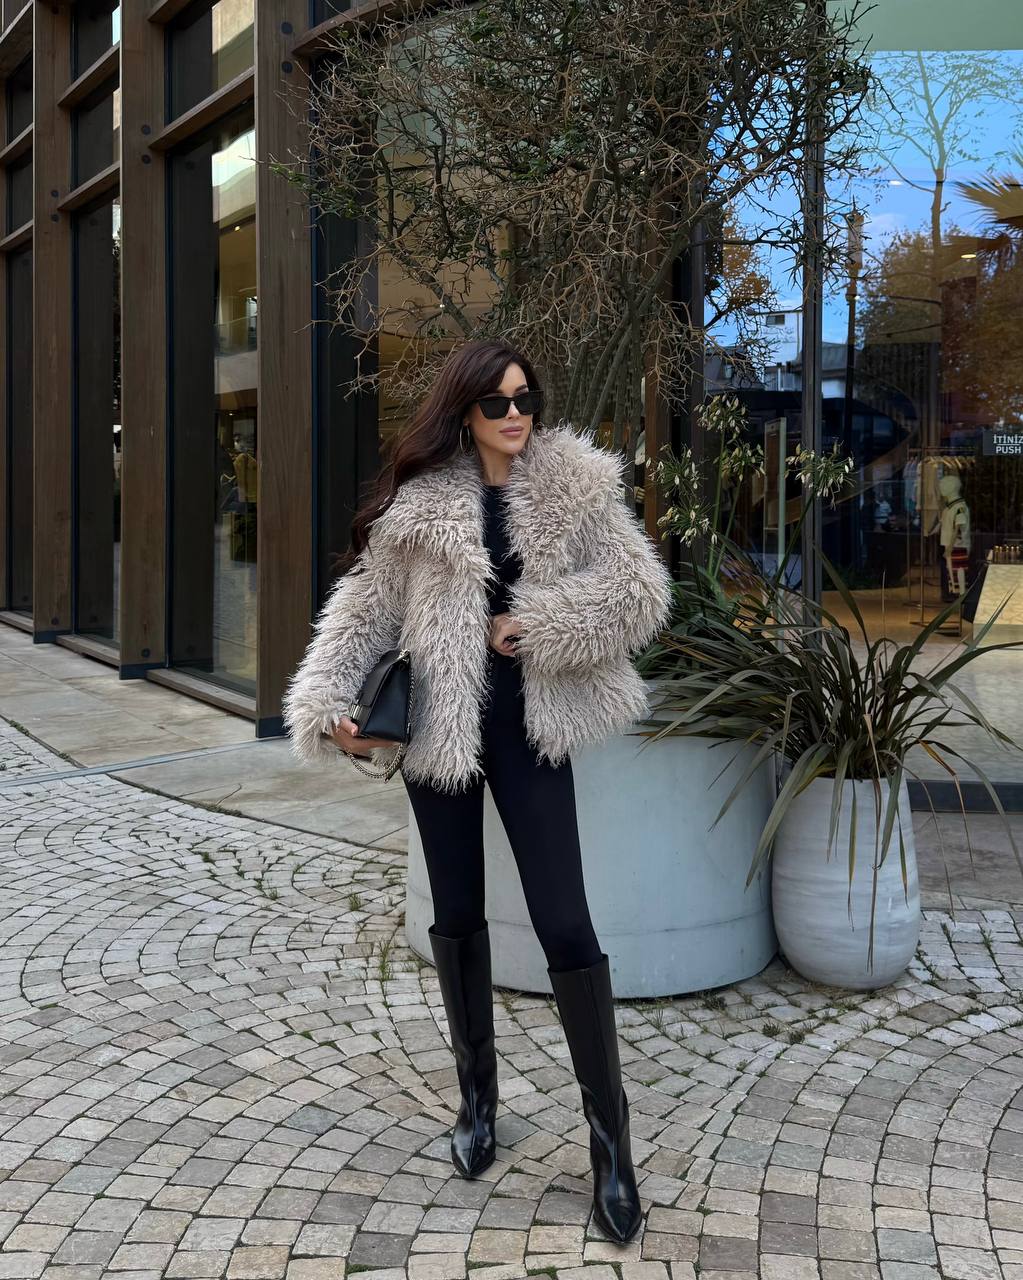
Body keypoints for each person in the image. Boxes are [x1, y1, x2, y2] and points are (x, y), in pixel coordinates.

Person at [282, 339, 672, 1244]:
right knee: (453, 916)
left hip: (528, 733)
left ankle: (609, 1145)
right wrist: (328, 702)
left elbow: (639, 592)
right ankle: (477, 1103)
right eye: (495, 402)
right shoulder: (417, 506)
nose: (513, 415)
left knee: (565, 921)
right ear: (463, 411)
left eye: (524, 397)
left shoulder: (575, 484)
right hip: (440, 733)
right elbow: (362, 611)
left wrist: (535, 622)